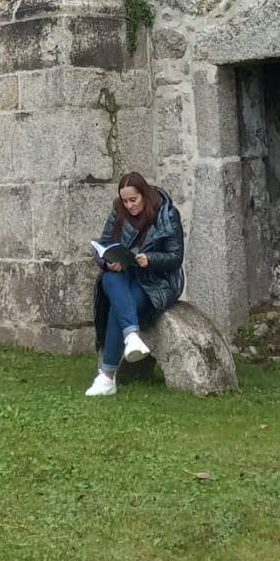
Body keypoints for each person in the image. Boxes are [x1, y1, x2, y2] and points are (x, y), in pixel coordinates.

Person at [85, 171, 185, 398]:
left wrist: (149, 259)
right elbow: (104, 247)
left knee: (117, 308)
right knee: (109, 278)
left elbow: (176, 257)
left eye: (134, 200)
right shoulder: (117, 214)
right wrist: (108, 262)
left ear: (144, 195)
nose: (129, 205)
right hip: (125, 274)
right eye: (125, 201)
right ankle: (131, 337)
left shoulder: (167, 214)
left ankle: (107, 376)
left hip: (156, 281)